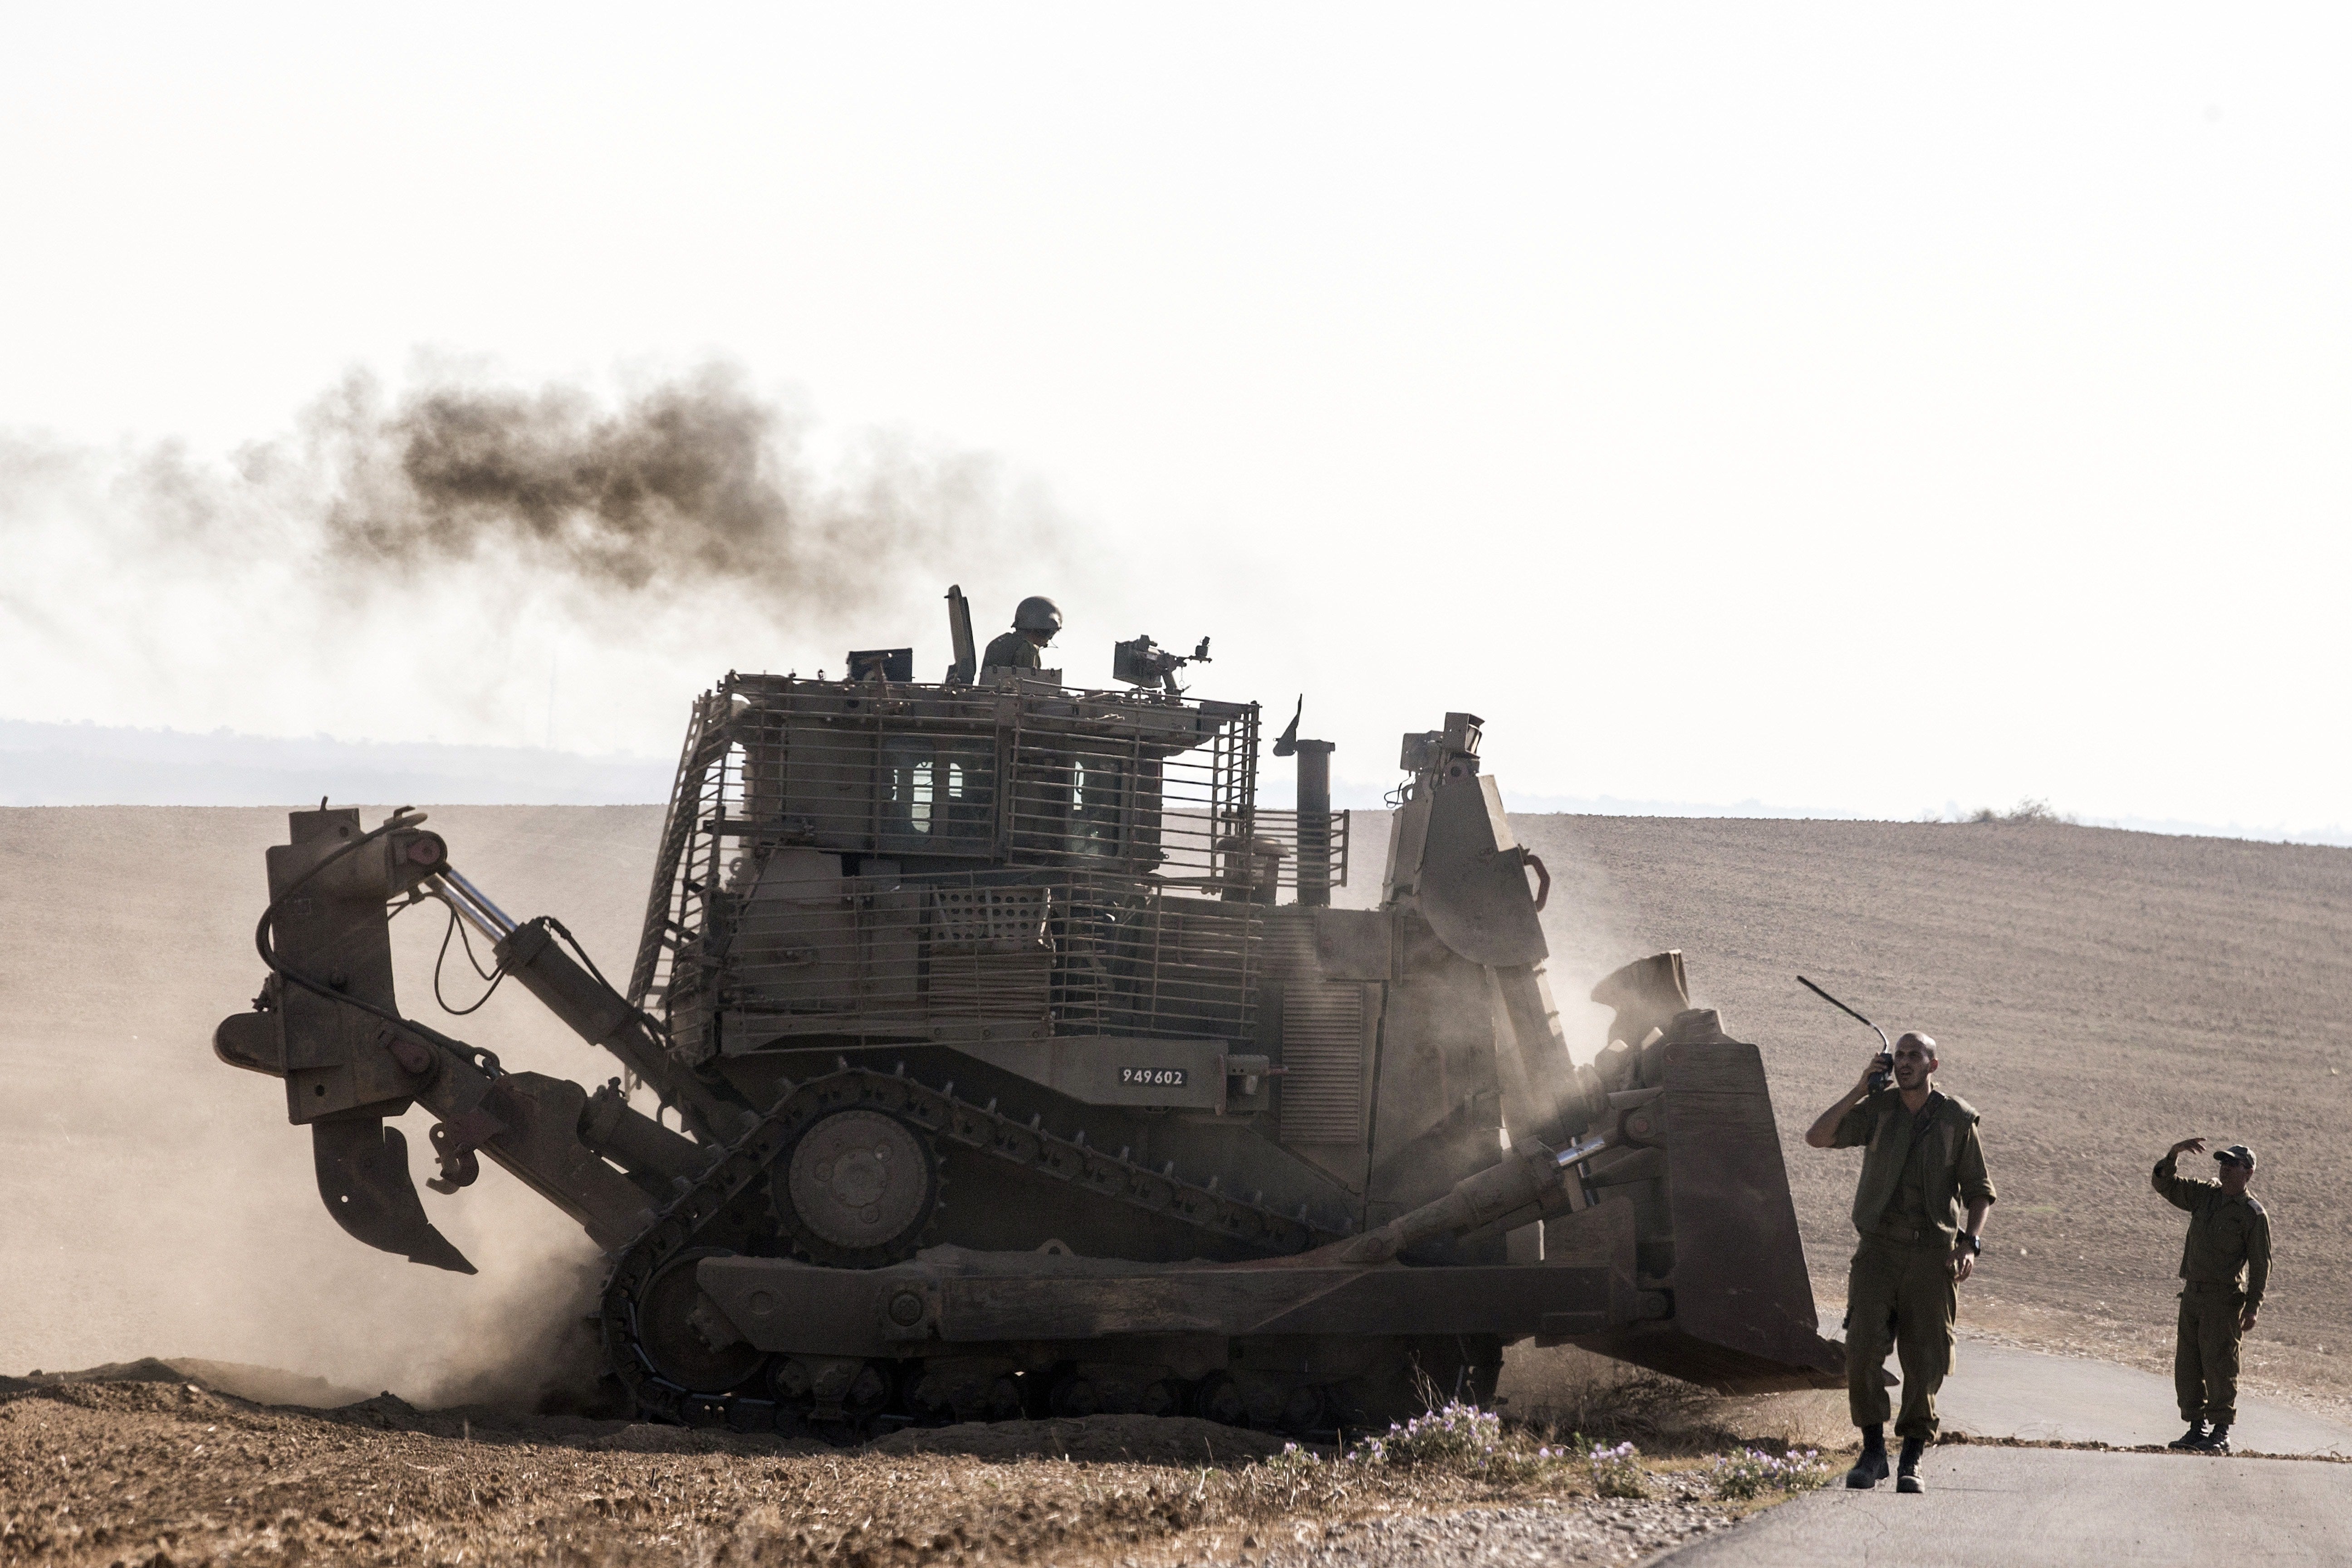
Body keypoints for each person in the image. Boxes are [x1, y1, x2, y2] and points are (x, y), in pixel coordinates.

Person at [1804, 1030, 1995, 1494]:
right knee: (1862, 1347)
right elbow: (1818, 1136)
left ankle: (1911, 1458)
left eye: (1916, 1056)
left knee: (1925, 1358)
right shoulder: (1879, 1111)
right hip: (1878, 1252)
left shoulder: (1956, 1120)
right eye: (1901, 1056)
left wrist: (1969, 1243)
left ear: (1933, 1065)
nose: (1906, 1062)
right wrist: (1860, 1086)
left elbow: (1979, 1191)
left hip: (1933, 1256)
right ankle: (1872, 1453)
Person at [2152, 1138, 2271, 1454]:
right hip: (2193, 1294)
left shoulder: (2252, 1215)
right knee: (2188, 1365)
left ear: (2249, 1173)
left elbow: (2261, 1264)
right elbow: (2166, 1186)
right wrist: (2173, 1154)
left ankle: (2220, 1432)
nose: (2226, 1168)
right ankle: (2196, 1428)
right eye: (2223, 1163)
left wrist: (2253, 1306)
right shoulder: (2206, 1196)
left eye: (2233, 1164)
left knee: (2221, 1366)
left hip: (2224, 1299)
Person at [980, 596, 1063, 676]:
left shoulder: (997, 643)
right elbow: (1027, 685)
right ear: (1043, 631)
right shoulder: (1029, 649)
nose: (1048, 640)